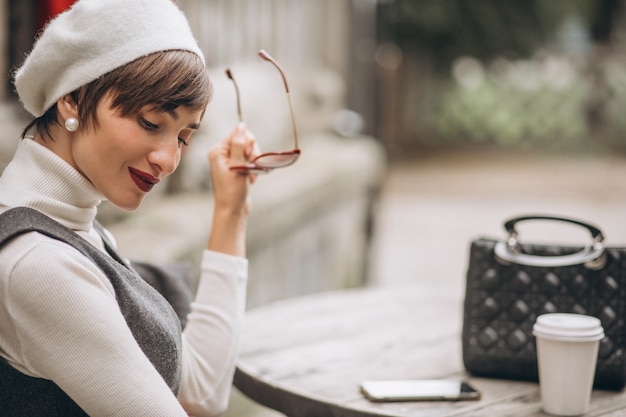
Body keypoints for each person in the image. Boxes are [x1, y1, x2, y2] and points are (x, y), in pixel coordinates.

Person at [0, 0, 260, 415]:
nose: (168, 160)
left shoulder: (72, 229)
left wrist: (232, 211)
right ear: (73, 98)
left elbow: (199, 393)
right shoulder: (38, 262)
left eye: (182, 138)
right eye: (151, 123)